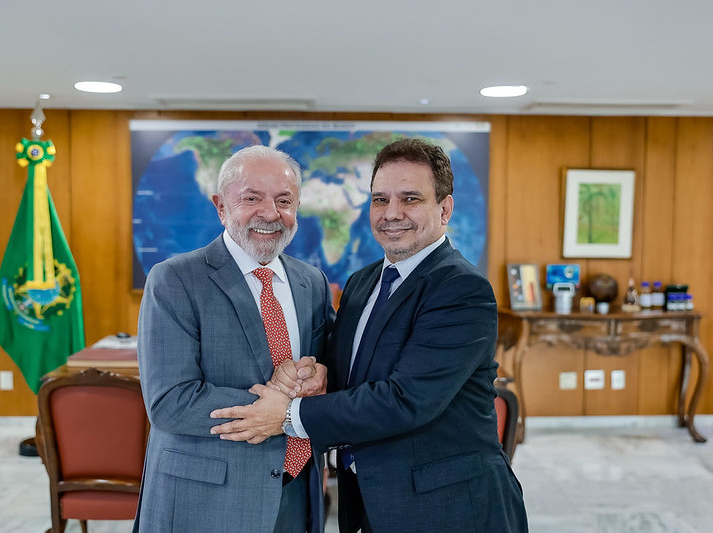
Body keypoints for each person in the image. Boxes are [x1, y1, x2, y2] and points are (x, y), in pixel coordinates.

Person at [210, 138, 529, 532]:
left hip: (449, 509)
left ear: (444, 209)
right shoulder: (362, 284)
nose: (391, 214)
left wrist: (287, 415)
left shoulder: (461, 289)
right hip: (369, 503)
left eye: (410, 199)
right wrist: (311, 374)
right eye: (380, 199)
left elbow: (405, 400)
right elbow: (345, 376)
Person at [133, 145, 335, 532]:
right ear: (221, 207)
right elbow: (170, 401)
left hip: (296, 495)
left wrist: (320, 375)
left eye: (284, 200)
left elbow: (330, 369)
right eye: (251, 198)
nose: (270, 213)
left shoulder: (312, 282)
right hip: (205, 502)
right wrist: (281, 413)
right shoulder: (174, 279)